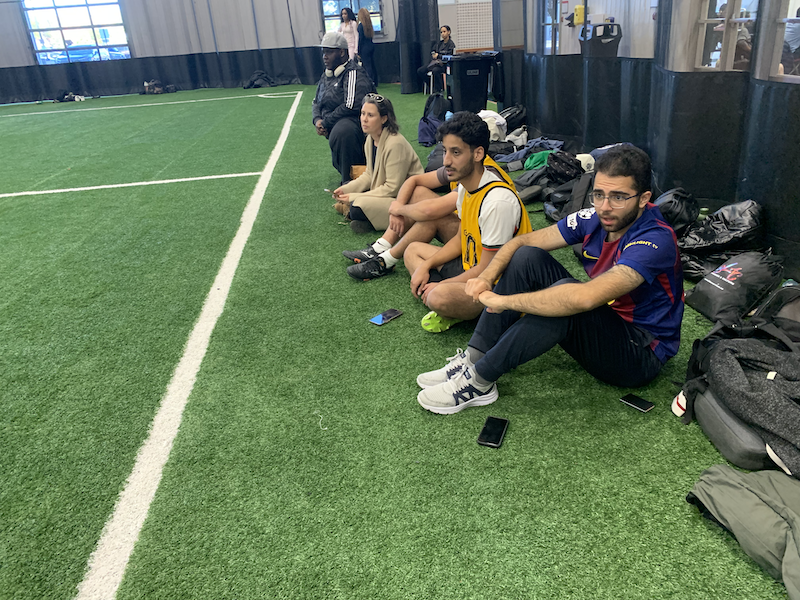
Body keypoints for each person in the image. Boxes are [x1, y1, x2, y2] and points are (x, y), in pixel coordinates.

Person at [415, 145, 684, 414]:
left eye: (618, 197)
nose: (605, 207)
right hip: (607, 323)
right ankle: (474, 359)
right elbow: (522, 242)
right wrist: (486, 278)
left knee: (568, 297)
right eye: (599, 194)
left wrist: (506, 301)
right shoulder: (595, 218)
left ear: (643, 198)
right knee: (527, 257)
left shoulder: (655, 239)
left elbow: (585, 297)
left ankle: (479, 382)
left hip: (641, 353)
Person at [345, 112, 532, 333]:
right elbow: (464, 236)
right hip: (471, 265)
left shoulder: (497, 201)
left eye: (456, 152)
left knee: (439, 296)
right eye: (445, 151)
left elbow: (487, 271)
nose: (446, 161)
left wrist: (443, 285)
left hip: (497, 285)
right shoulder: (468, 184)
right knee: (412, 251)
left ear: (478, 153)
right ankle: (441, 297)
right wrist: (427, 265)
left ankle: (451, 305)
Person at [331, 93, 424, 234]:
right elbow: (369, 174)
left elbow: (393, 188)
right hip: (388, 194)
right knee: (353, 197)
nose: (364, 119)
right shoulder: (370, 139)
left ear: (384, 118)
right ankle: (366, 220)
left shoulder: (395, 143)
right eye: (362, 114)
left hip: (404, 199)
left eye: (370, 115)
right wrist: (347, 189)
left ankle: (359, 216)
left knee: (357, 206)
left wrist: (354, 197)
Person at [312, 31, 374, 185]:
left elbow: (351, 105)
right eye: (323, 52)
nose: (325, 56)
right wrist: (318, 120)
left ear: (341, 52)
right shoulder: (326, 76)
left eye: (329, 52)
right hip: (334, 123)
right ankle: (351, 173)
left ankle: (350, 182)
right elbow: (316, 102)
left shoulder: (353, 72)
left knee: (343, 130)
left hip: (357, 124)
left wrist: (326, 122)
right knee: (340, 130)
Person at [416, 26, 456, 92]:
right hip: (435, 63)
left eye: (444, 31)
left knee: (435, 71)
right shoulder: (439, 44)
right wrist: (434, 54)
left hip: (445, 65)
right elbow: (434, 51)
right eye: (441, 32)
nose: (442, 34)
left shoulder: (451, 44)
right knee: (420, 71)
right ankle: (432, 86)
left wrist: (438, 56)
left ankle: (439, 89)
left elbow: (449, 56)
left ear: (449, 32)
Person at [357, 8, 377, 85]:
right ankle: (375, 80)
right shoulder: (369, 26)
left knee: (367, 65)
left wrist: (358, 51)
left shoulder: (360, 26)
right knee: (372, 64)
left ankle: (370, 81)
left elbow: (360, 39)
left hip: (364, 48)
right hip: (371, 46)